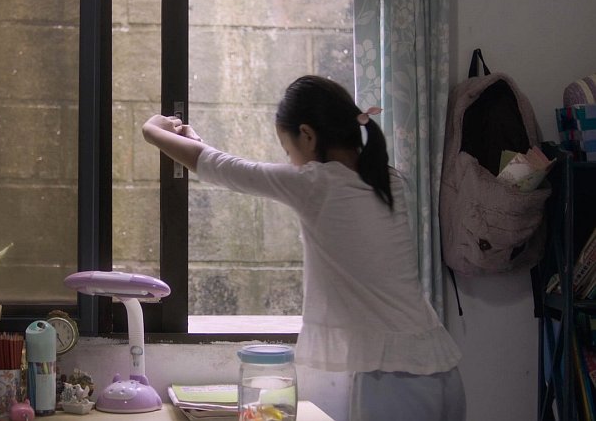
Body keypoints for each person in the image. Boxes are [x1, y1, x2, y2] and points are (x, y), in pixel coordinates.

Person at [142, 75, 465, 421]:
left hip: (394, 382)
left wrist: (152, 129)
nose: (292, 162)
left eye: (288, 150)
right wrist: (196, 142)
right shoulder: (388, 180)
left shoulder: (318, 184)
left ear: (308, 136)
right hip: (442, 371)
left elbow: (222, 168)